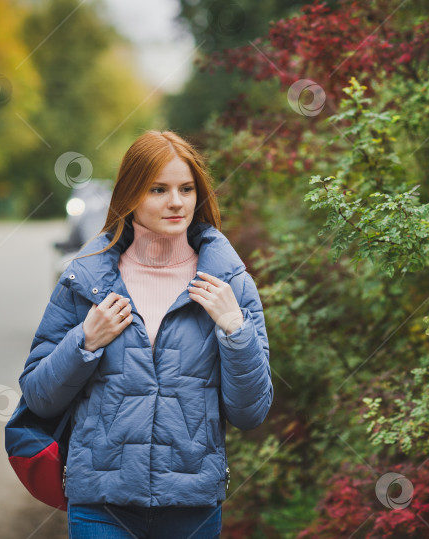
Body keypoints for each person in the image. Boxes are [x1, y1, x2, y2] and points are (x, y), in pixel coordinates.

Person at [18, 130, 273, 538]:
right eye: (158, 189)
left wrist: (236, 332)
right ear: (130, 194)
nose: (176, 202)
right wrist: (85, 342)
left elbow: (250, 412)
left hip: (192, 506)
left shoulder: (230, 286)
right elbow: (38, 397)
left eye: (186, 189)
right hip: (101, 503)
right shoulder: (85, 281)